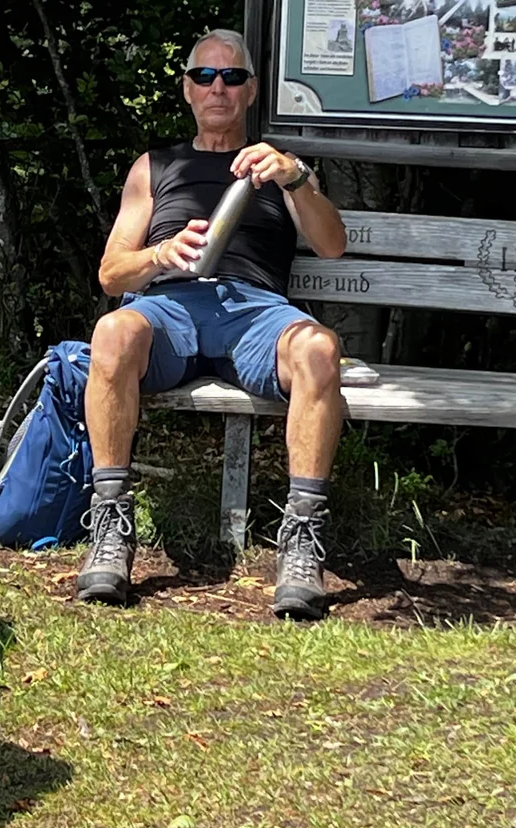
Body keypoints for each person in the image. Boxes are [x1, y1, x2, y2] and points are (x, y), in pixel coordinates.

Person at [77, 30, 349, 620]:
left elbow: (331, 245)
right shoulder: (156, 166)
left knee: (320, 351)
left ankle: (301, 544)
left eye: (230, 77)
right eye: (204, 77)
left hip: (254, 312)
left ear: (251, 91)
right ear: (186, 89)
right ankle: (111, 527)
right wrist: (160, 254)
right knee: (112, 332)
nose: (217, 88)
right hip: (169, 305)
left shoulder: (280, 167)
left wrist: (294, 177)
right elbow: (110, 274)